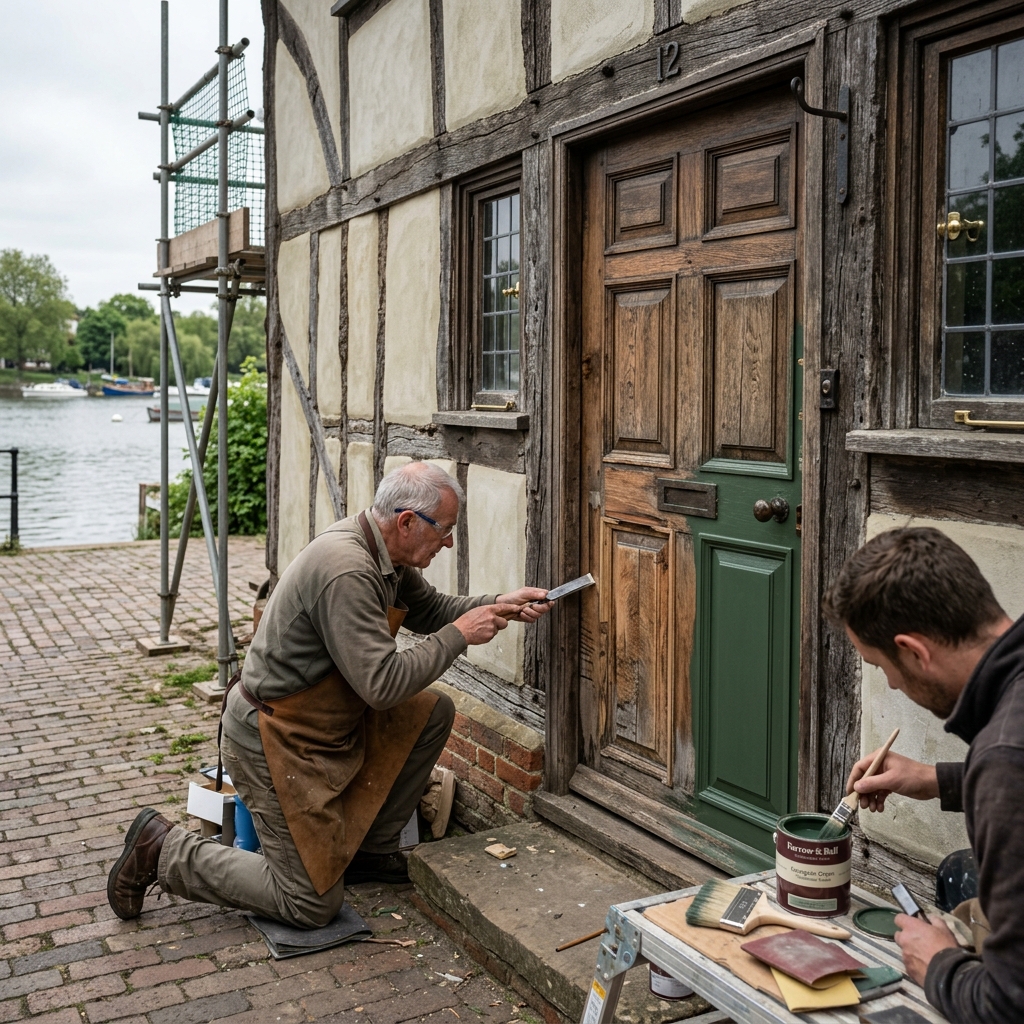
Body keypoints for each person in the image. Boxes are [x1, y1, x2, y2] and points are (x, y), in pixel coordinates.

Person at [107, 462, 551, 929]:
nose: (449, 543)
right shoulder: (348, 569)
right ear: (406, 521)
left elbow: (432, 609)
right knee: (309, 904)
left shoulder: (386, 555)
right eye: (444, 530)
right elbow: (382, 686)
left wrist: (498, 604)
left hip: (324, 721)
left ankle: (369, 852)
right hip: (274, 736)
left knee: (431, 711)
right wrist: (460, 635)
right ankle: (163, 849)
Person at [823, 526, 1024, 1022]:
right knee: (959, 870)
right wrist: (938, 780)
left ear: (914, 651)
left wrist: (939, 965)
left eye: (881, 666)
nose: (891, 685)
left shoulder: (1004, 761)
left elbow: (1010, 1004)